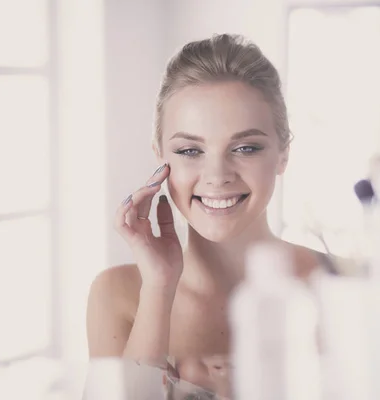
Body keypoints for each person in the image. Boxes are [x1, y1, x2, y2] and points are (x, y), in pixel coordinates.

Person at [85, 34, 325, 375]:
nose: (217, 176)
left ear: (283, 155)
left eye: (246, 148)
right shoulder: (118, 295)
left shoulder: (341, 286)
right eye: (189, 151)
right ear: (160, 156)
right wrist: (159, 288)